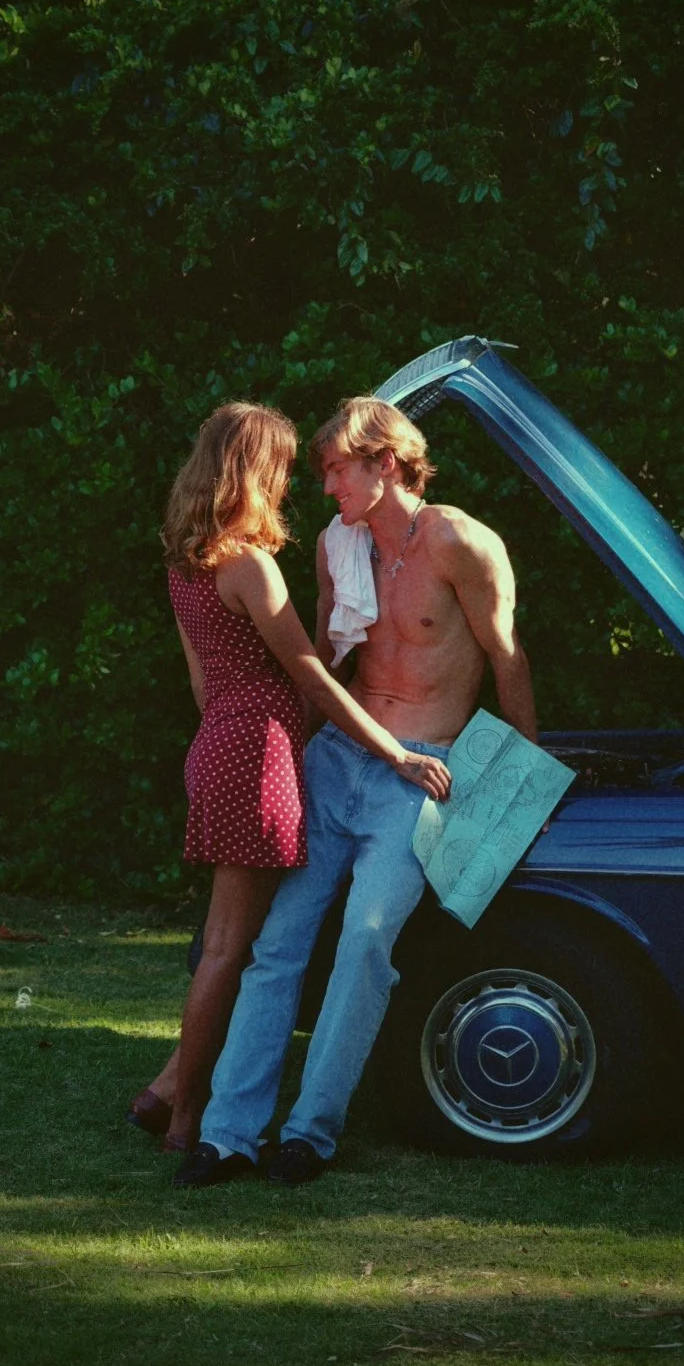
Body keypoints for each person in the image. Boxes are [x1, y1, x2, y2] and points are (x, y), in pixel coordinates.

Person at [176, 395, 535, 1188]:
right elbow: (325, 668)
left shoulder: (463, 543)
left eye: (338, 468)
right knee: (277, 945)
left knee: (368, 938)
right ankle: (228, 1133)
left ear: (387, 463)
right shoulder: (338, 546)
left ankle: (309, 1132)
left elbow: (507, 656)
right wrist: (290, 756)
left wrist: (522, 773)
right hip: (339, 759)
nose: (326, 484)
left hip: (422, 769)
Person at [126, 402, 451, 1156]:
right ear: (253, 470)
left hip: (214, 747)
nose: (293, 483)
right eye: (280, 467)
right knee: (232, 949)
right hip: (260, 755)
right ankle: (185, 1119)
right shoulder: (249, 564)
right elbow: (311, 677)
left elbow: (206, 690)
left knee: (233, 943)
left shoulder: (186, 562)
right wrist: (395, 753)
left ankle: (172, 1092)